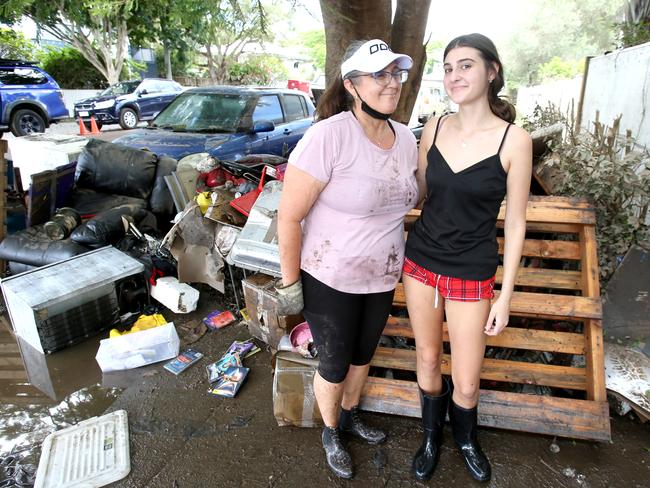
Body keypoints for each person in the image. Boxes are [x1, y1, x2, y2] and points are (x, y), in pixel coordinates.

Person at [277, 39, 418, 479]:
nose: (391, 83)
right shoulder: (329, 136)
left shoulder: (406, 140)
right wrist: (289, 286)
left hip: (381, 275)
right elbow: (289, 216)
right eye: (379, 75)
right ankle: (332, 430)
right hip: (329, 275)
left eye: (395, 73)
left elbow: (411, 198)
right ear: (353, 85)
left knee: (362, 356)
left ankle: (352, 413)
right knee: (335, 362)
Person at [403, 33, 532, 482]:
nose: (454, 75)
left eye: (466, 65)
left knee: (468, 378)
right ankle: (430, 436)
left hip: (471, 271)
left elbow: (515, 223)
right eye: (448, 67)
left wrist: (506, 296)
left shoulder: (514, 141)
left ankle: (465, 438)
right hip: (420, 263)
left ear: (492, 71)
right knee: (425, 358)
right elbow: (417, 193)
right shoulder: (435, 126)